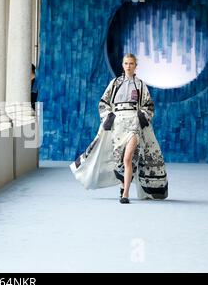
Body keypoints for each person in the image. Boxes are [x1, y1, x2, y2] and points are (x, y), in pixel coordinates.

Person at [70, 53, 168, 204]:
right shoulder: (115, 84)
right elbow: (103, 103)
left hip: (134, 125)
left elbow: (149, 105)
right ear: (123, 65)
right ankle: (123, 185)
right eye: (126, 63)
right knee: (120, 161)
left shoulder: (141, 85)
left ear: (136, 66)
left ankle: (126, 194)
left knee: (129, 157)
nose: (129, 66)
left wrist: (141, 117)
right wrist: (109, 117)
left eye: (131, 63)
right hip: (118, 126)